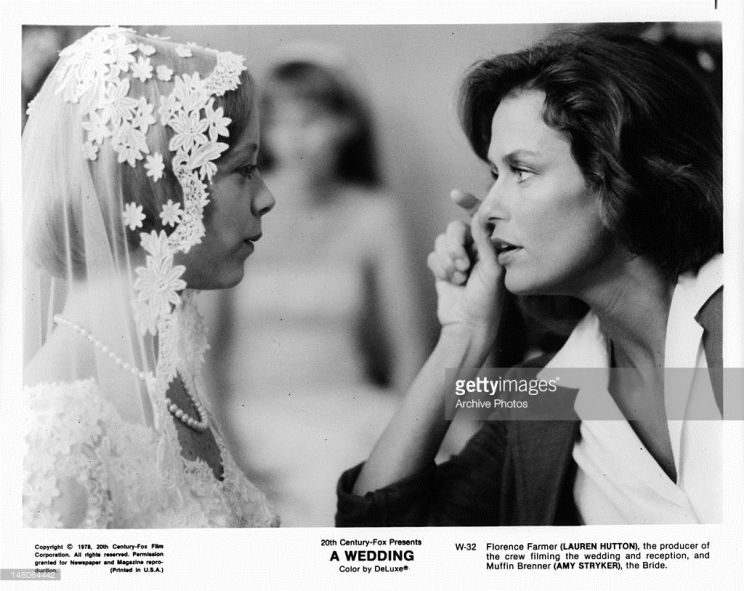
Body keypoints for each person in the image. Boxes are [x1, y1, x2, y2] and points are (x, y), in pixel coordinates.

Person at [337, 33, 723, 526]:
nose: (487, 210)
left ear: (624, 173)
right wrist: (462, 337)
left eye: (520, 170)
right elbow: (375, 537)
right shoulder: (546, 392)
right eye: (493, 175)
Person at [22, 26, 278, 528]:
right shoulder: (55, 429)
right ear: (162, 185)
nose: (266, 198)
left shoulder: (165, 369)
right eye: (244, 170)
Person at [206, 44, 426, 526]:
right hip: (248, 420)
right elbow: (202, 352)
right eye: (279, 122)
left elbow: (409, 349)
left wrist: (404, 440)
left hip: (350, 412)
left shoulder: (375, 214)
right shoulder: (237, 204)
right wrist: (227, 456)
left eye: (312, 119)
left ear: (347, 124)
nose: (295, 138)